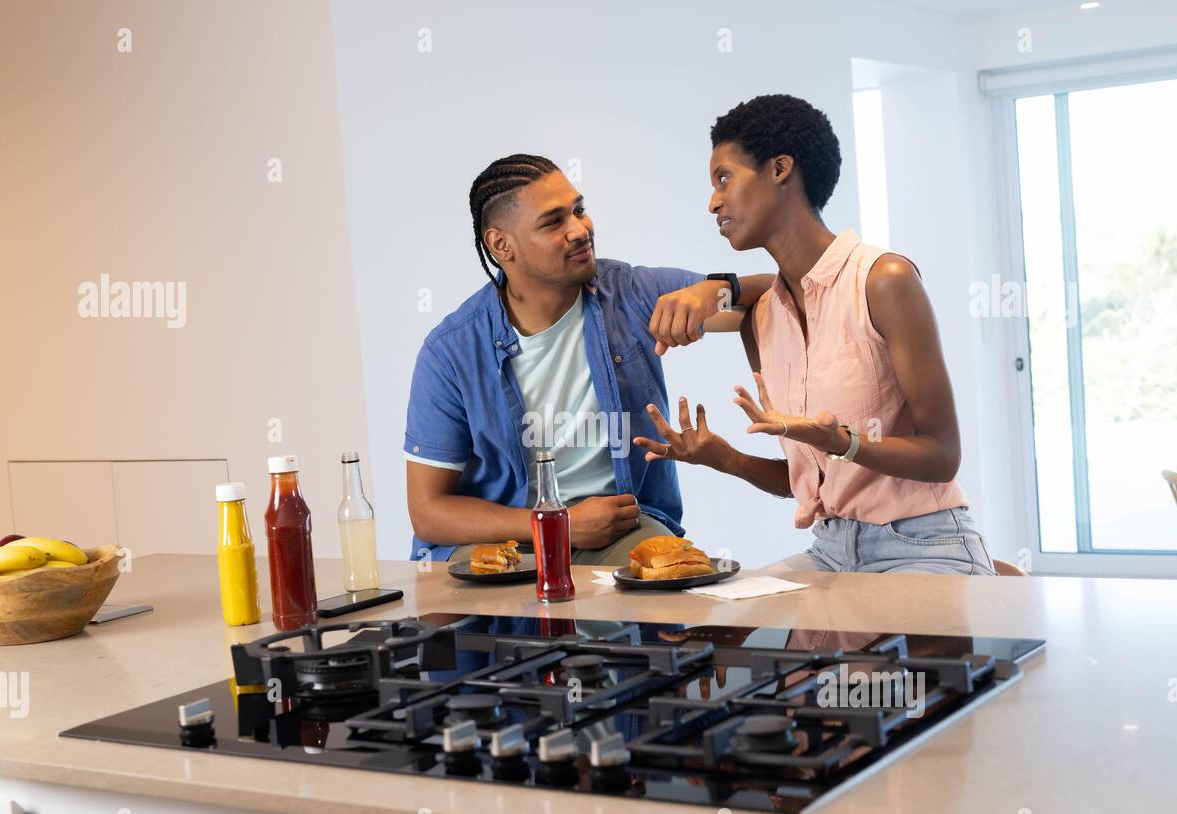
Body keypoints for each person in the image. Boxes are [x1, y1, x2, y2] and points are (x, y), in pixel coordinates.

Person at [634, 97, 995, 575]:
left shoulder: (884, 281)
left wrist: (844, 442)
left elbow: (942, 456)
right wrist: (726, 458)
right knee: (722, 615)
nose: (713, 202)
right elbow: (810, 480)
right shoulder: (761, 319)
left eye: (724, 178)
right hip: (831, 550)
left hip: (921, 543)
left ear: (779, 169)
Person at [403, 153, 770, 564]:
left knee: (677, 576)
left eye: (579, 210)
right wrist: (554, 523)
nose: (580, 230)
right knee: (474, 596)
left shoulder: (630, 293)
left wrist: (719, 288)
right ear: (501, 244)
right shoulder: (450, 352)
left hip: (618, 531)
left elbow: (789, 291)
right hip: (504, 538)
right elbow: (428, 513)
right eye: (552, 222)